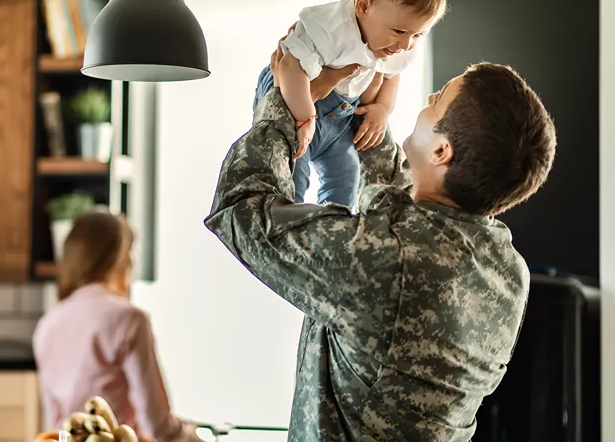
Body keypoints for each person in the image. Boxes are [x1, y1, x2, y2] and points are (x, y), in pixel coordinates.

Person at [205, 38, 557, 441]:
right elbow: (402, 198)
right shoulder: (507, 270)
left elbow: (242, 208)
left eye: (438, 99)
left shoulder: (388, 260)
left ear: (442, 150)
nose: (428, 97)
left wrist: (284, 104)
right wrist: (361, 106)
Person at [253, 0, 446, 209]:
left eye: (418, 35)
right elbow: (287, 68)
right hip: (296, 95)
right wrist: (305, 117)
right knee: (294, 172)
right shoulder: (329, 27)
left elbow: (392, 75)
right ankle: (289, 224)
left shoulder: (398, 43)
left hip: (340, 119)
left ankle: (333, 228)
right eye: (400, 32)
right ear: (364, 7)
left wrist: (382, 108)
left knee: (346, 177)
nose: (406, 45)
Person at [33, 208, 202, 442]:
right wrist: (193, 436)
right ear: (120, 260)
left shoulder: (47, 325)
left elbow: (55, 424)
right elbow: (158, 426)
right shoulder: (129, 319)